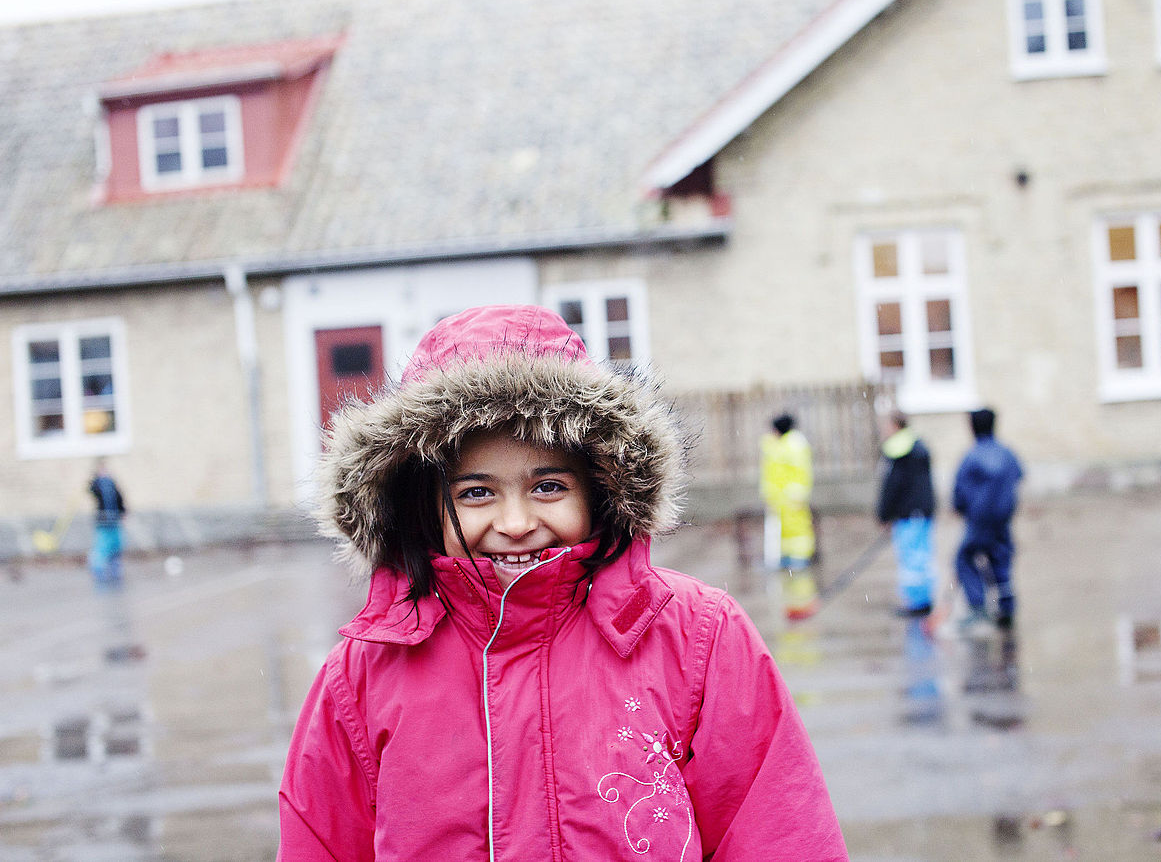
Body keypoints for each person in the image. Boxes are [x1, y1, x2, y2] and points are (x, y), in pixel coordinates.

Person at [277, 305, 847, 861]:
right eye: (476, 492)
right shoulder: (364, 672)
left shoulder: (698, 637)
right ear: (424, 506)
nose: (517, 523)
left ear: (599, 488)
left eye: (548, 486)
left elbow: (778, 830)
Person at [953, 407, 1023, 631]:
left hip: (979, 521)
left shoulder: (971, 457)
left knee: (964, 559)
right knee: (1001, 560)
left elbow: (959, 492)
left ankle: (977, 607)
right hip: (1002, 519)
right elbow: (1019, 476)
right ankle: (1006, 607)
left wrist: (963, 509)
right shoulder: (1007, 453)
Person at [875, 411, 937, 618]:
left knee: (913, 557)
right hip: (919, 511)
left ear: (895, 426)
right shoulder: (916, 446)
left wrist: (884, 513)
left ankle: (918, 602)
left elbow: (893, 486)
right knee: (919, 555)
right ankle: (921, 600)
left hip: (910, 513)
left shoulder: (899, 450)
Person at [758, 413, 819, 621]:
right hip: (780, 499)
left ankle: (799, 560)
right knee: (784, 532)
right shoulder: (778, 445)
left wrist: (796, 493)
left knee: (798, 532)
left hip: (791, 498)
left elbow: (800, 472)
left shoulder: (793, 445)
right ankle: (786, 559)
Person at [87, 458, 127, 586]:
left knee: (116, 544)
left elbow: (119, 498)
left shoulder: (112, 484)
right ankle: (98, 569)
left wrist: (123, 511)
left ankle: (115, 569)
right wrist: (95, 479)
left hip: (114, 517)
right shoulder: (97, 485)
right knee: (103, 544)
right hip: (103, 518)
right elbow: (92, 490)